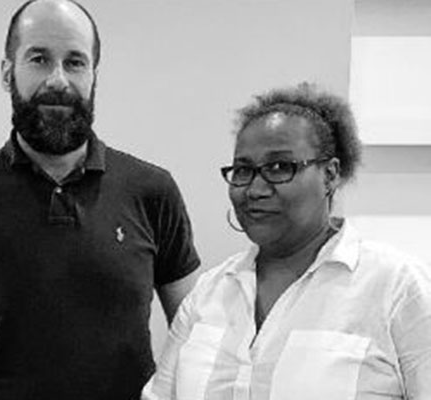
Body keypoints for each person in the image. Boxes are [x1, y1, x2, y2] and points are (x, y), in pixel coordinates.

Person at [0, 0, 202, 399]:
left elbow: (195, 338)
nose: (58, 79)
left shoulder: (153, 190)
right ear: (7, 72)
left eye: (75, 62)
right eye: (39, 59)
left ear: (93, 76)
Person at [142, 83, 431, 400]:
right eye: (243, 170)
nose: (255, 189)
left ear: (330, 174)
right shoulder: (207, 296)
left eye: (280, 167)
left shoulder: (396, 288)